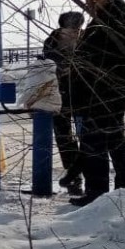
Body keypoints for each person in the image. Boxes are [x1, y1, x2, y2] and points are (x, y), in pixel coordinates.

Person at [67, 0, 125, 206]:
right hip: (102, 93)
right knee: (113, 141)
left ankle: (98, 193)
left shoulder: (110, 22)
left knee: (96, 143)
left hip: (103, 94)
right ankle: (121, 189)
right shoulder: (103, 21)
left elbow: (106, 59)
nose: (90, 2)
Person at [41, 11, 85, 196]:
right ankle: (74, 171)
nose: (75, 33)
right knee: (65, 135)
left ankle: (76, 172)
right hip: (65, 95)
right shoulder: (55, 41)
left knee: (78, 136)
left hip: (77, 95)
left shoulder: (84, 40)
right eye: (73, 29)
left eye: (77, 29)